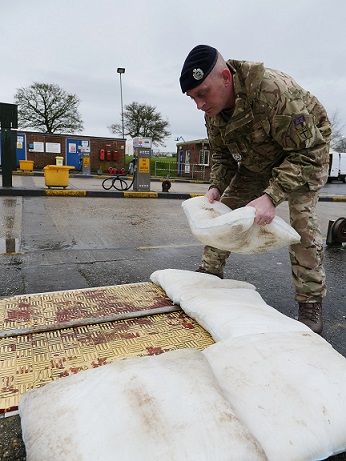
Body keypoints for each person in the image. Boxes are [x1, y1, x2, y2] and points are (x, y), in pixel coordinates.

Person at [179, 45, 332, 334]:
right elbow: (223, 157)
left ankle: (310, 301)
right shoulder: (213, 111)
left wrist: (271, 197)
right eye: (192, 97)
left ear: (226, 77)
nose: (199, 104)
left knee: (302, 224)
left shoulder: (273, 91)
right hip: (256, 158)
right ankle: (209, 274)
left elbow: (308, 151)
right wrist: (215, 187)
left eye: (202, 93)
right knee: (222, 212)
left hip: (304, 152)